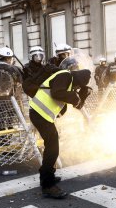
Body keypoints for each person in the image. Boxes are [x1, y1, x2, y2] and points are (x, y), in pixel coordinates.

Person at [29, 68, 92, 199]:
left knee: (52, 148)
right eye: (78, 85)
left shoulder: (70, 85)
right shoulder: (65, 76)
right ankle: (47, 185)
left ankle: (47, 175)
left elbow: (77, 105)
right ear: (77, 79)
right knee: (53, 150)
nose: (77, 88)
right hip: (39, 113)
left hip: (43, 115)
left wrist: (83, 96)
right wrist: (75, 96)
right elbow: (57, 93)